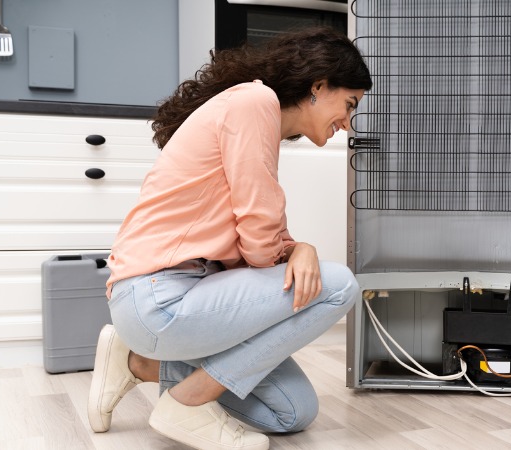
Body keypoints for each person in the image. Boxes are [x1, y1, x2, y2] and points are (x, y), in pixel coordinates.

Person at [86, 27, 372, 450]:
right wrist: (294, 251)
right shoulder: (254, 102)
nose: (348, 124)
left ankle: (136, 364)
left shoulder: (258, 118)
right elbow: (259, 244)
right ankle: (187, 404)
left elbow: (260, 230)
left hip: (190, 294)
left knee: (291, 413)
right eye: (349, 104)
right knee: (339, 285)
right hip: (159, 298)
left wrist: (301, 248)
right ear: (318, 86)